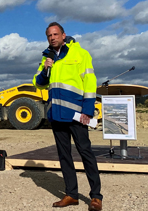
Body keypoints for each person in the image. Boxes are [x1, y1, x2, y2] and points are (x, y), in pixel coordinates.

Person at [33, 22, 102, 211]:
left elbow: (89, 81)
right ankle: (71, 194)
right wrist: (46, 69)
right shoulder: (46, 57)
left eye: (55, 34)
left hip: (76, 114)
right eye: (49, 35)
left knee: (86, 153)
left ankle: (96, 197)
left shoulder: (80, 54)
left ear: (64, 35)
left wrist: (87, 110)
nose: (52, 37)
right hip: (56, 115)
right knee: (64, 156)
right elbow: (39, 83)